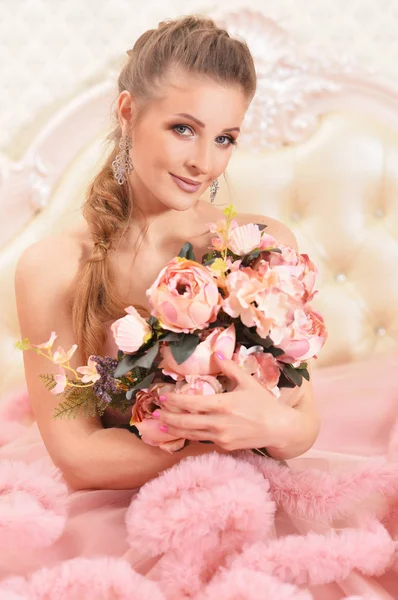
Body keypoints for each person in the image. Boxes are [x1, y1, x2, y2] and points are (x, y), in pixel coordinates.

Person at [0, 15, 396, 599]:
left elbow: (300, 420)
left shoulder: (259, 247)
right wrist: (218, 441)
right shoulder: (53, 267)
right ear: (129, 113)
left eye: (225, 138)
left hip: (258, 490)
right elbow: (80, 457)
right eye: (184, 129)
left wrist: (273, 427)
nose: (204, 162)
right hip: (122, 506)